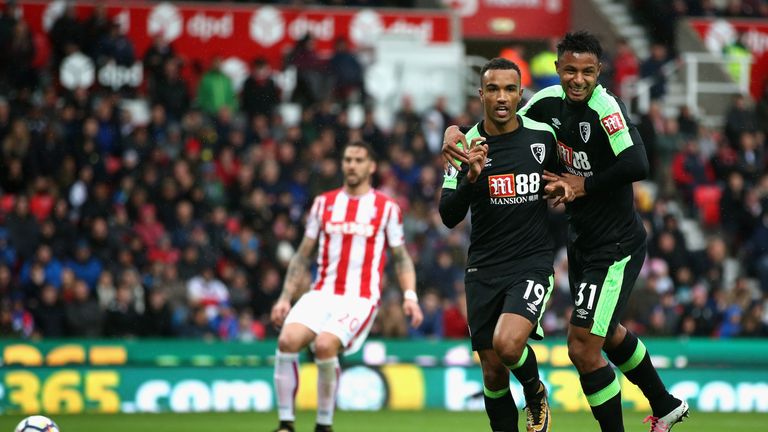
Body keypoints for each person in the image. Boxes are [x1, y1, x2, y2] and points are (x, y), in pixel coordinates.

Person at [442, 32, 689, 432]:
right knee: (604, 334)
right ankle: (666, 404)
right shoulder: (544, 104)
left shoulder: (605, 107)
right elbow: (500, 119)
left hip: (615, 244)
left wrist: (581, 185)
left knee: (582, 345)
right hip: (581, 239)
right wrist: (456, 130)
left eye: (587, 72)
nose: (578, 79)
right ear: (557, 70)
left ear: (599, 72)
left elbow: (638, 163)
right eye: (570, 70)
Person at [439, 57, 575, 432]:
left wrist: (569, 186)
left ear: (520, 95)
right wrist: (469, 176)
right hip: (482, 269)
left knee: (509, 345)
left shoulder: (543, 136)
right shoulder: (465, 145)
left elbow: (573, 172)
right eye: (494, 89)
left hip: (530, 263)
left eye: (510, 89)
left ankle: (534, 391)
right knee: (493, 373)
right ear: (481, 94)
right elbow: (448, 215)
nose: (502, 97)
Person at [270, 141, 424, 432]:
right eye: (347, 159)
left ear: (371, 166)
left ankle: (323, 425)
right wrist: (284, 298)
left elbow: (401, 257)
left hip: (360, 297)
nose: (351, 165)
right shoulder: (323, 203)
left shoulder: (386, 208)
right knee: (286, 340)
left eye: (358, 159)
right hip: (322, 292)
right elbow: (303, 254)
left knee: (326, 345)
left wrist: (410, 296)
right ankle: (286, 424)